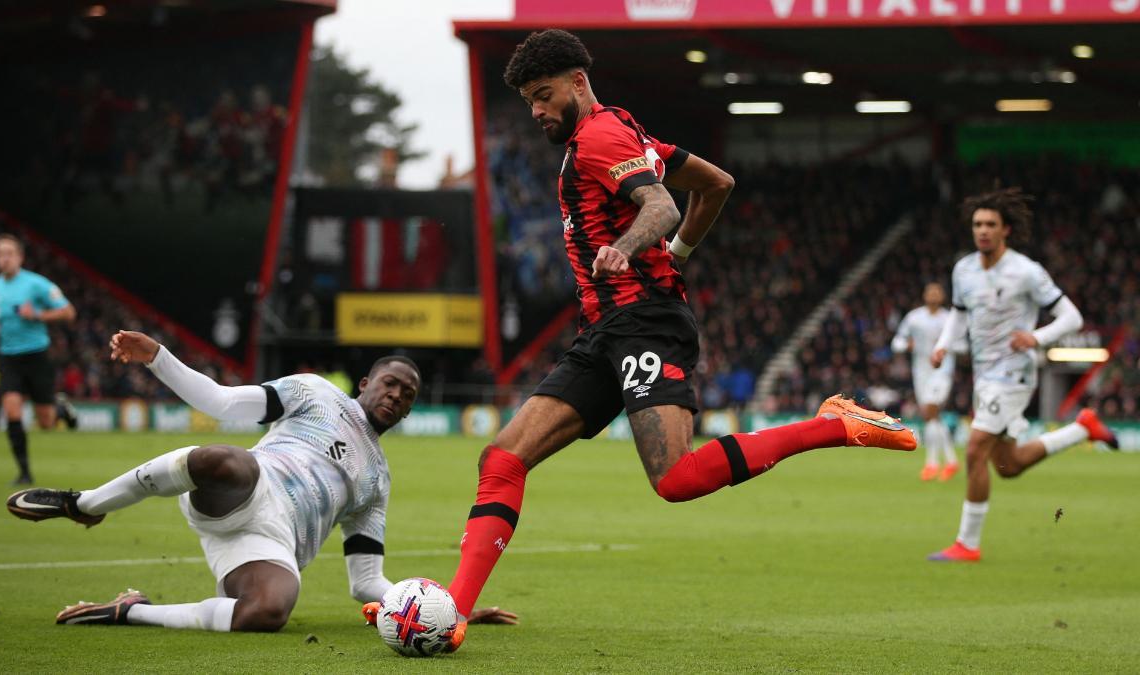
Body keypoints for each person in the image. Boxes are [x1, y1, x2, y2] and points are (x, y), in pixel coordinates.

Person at [392, 30, 916, 651]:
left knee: (675, 479)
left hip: (644, 321)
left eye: (543, 95)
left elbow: (662, 206)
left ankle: (831, 423)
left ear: (578, 83)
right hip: (604, 332)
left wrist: (634, 244)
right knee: (502, 458)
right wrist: (681, 254)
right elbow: (717, 183)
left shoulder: (602, 137)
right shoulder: (626, 133)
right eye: (529, 100)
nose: (535, 111)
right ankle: (454, 611)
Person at [6, 330, 516, 634]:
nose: (398, 396)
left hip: (271, 545)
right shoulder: (315, 392)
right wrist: (158, 356)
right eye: (391, 384)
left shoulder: (378, 481)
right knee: (229, 460)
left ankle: (131, 612)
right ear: (365, 384)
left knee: (271, 611)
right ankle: (87, 502)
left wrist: (444, 609)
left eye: (407, 395)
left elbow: (365, 582)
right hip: (247, 488)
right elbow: (222, 404)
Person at [927, 187, 1119, 563]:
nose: (982, 230)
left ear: (1006, 230)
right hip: (985, 375)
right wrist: (944, 344)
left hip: (1014, 374)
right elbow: (959, 313)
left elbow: (1072, 317)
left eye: (990, 224)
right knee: (1008, 465)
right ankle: (1083, 429)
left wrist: (1036, 337)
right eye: (977, 224)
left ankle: (967, 544)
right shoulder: (963, 269)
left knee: (975, 448)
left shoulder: (1026, 271)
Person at [0, 234, 78, 485]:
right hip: (8, 357)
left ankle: (60, 408)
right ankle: (24, 472)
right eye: (0, 254)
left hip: (36, 356)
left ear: (20, 257)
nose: (4, 258)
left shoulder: (36, 284)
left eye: (9, 253)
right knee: (12, 410)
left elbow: (69, 312)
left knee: (45, 422)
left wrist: (38, 315)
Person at [891, 283, 960, 481]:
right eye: (930, 291)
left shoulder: (949, 319)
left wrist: (947, 347)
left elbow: (962, 344)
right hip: (921, 373)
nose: (934, 295)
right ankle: (951, 461)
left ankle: (931, 464)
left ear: (943, 296)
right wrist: (907, 344)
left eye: (937, 291)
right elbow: (897, 342)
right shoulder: (914, 318)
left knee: (931, 412)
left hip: (942, 371)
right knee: (932, 417)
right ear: (924, 295)